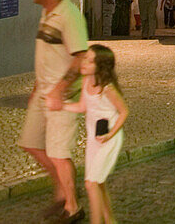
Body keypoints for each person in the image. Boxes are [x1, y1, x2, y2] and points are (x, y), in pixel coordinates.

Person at [18, 0, 89, 223]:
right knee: (31, 143)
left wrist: (59, 90)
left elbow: (80, 57)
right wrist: (38, 87)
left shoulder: (69, 16)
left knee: (59, 153)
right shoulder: (47, 12)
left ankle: (72, 207)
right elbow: (48, 54)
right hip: (43, 92)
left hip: (63, 96)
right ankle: (63, 189)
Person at [64, 44, 128, 224]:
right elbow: (82, 107)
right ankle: (110, 220)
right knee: (98, 182)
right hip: (94, 139)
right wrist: (60, 106)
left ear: (100, 67)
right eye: (86, 58)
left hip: (109, 139)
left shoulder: (107, 88)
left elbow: (124, 112)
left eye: (90, 61)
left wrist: (111, 134)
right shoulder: (86, 82)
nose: (84, 62)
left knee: (91, 183)